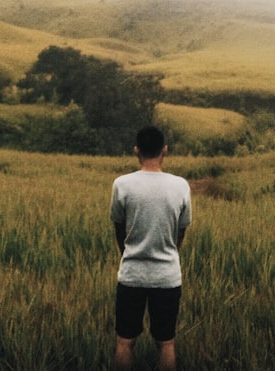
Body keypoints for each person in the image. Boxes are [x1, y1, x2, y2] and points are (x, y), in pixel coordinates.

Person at [110, 126, 192, 371]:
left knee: (124, 342)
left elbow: (118, 227)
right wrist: (171, 252)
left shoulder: (122, 184)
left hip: (132, 274)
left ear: (136, 150)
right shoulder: (180, 186)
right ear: (164, 150)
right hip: (167, 276)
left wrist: (127, 254)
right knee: (166, 344)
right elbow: (181, 230)